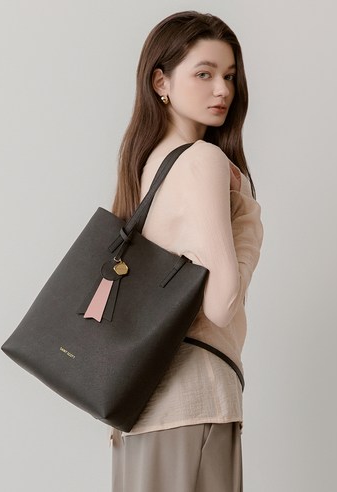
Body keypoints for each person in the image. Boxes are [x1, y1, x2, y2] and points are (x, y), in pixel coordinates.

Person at [109, 10, 264, 492]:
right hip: (194, 401)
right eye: (204, 74)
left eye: (229, 76)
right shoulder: (203, 160)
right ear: (161, 82)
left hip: (141, 406)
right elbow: (220, 306)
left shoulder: (146, 164)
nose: (222, 90)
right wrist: (249, 223)